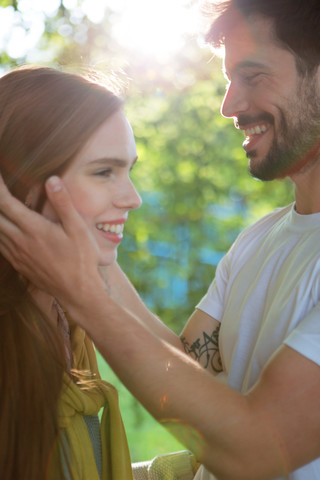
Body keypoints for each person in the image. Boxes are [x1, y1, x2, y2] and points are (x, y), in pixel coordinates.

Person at [0, 0, 320, 478]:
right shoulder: (259, 240)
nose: (228, 104)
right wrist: (86, 251)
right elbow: (186, 371)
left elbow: (256, 450)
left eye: (253, 77)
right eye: (103, 171)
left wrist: (84, 291)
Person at [0, 65, 142, 480]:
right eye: (104, 172)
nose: (133, 198)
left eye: (129, 170)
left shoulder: (69, 327)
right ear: (23, 184)